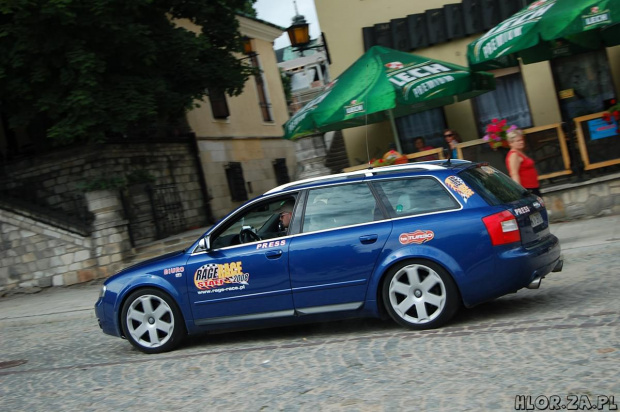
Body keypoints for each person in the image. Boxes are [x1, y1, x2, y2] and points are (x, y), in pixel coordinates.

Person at [505, 128, 541, 196]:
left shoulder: (520, 152)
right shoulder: (514, 155)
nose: (521, 142)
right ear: (511, 143)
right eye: (518, 141)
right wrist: (519, 191)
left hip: (533, 187)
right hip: (527, 189)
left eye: (521, 140)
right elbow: (514, 174)